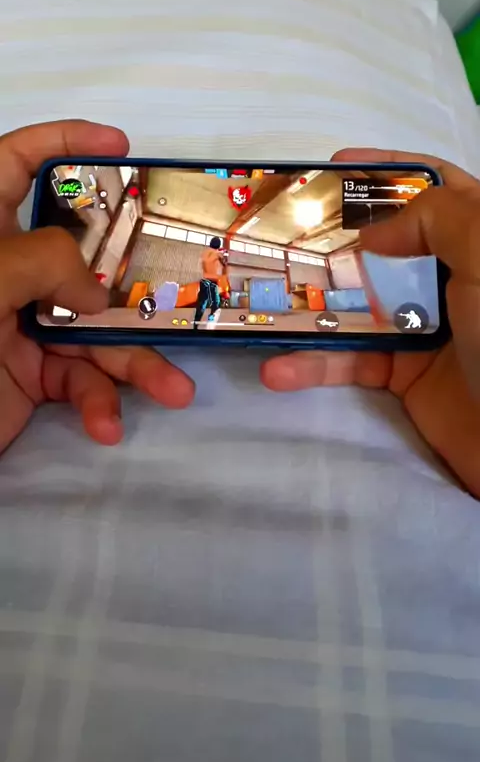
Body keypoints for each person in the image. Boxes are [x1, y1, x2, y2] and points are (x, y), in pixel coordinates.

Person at [0, 120, 479, 501]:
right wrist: (213, 280)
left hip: (214, 288)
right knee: (204, 307)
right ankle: (201, 316)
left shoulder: (221, 264)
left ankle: (203, 315)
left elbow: (218, 280)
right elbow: (212, 279)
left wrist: (218, 280)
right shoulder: (212, 262)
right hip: (209, 288)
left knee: (209, 307)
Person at [193, 236, 225, 329]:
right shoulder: (218, 253)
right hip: (213, 281)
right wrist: (223, 255)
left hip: (204, 280)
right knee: (215, 304)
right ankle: (210, 323)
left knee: (201, 304)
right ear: (218, 245)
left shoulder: (204, 253)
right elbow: (224, 263)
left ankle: (195, 324)